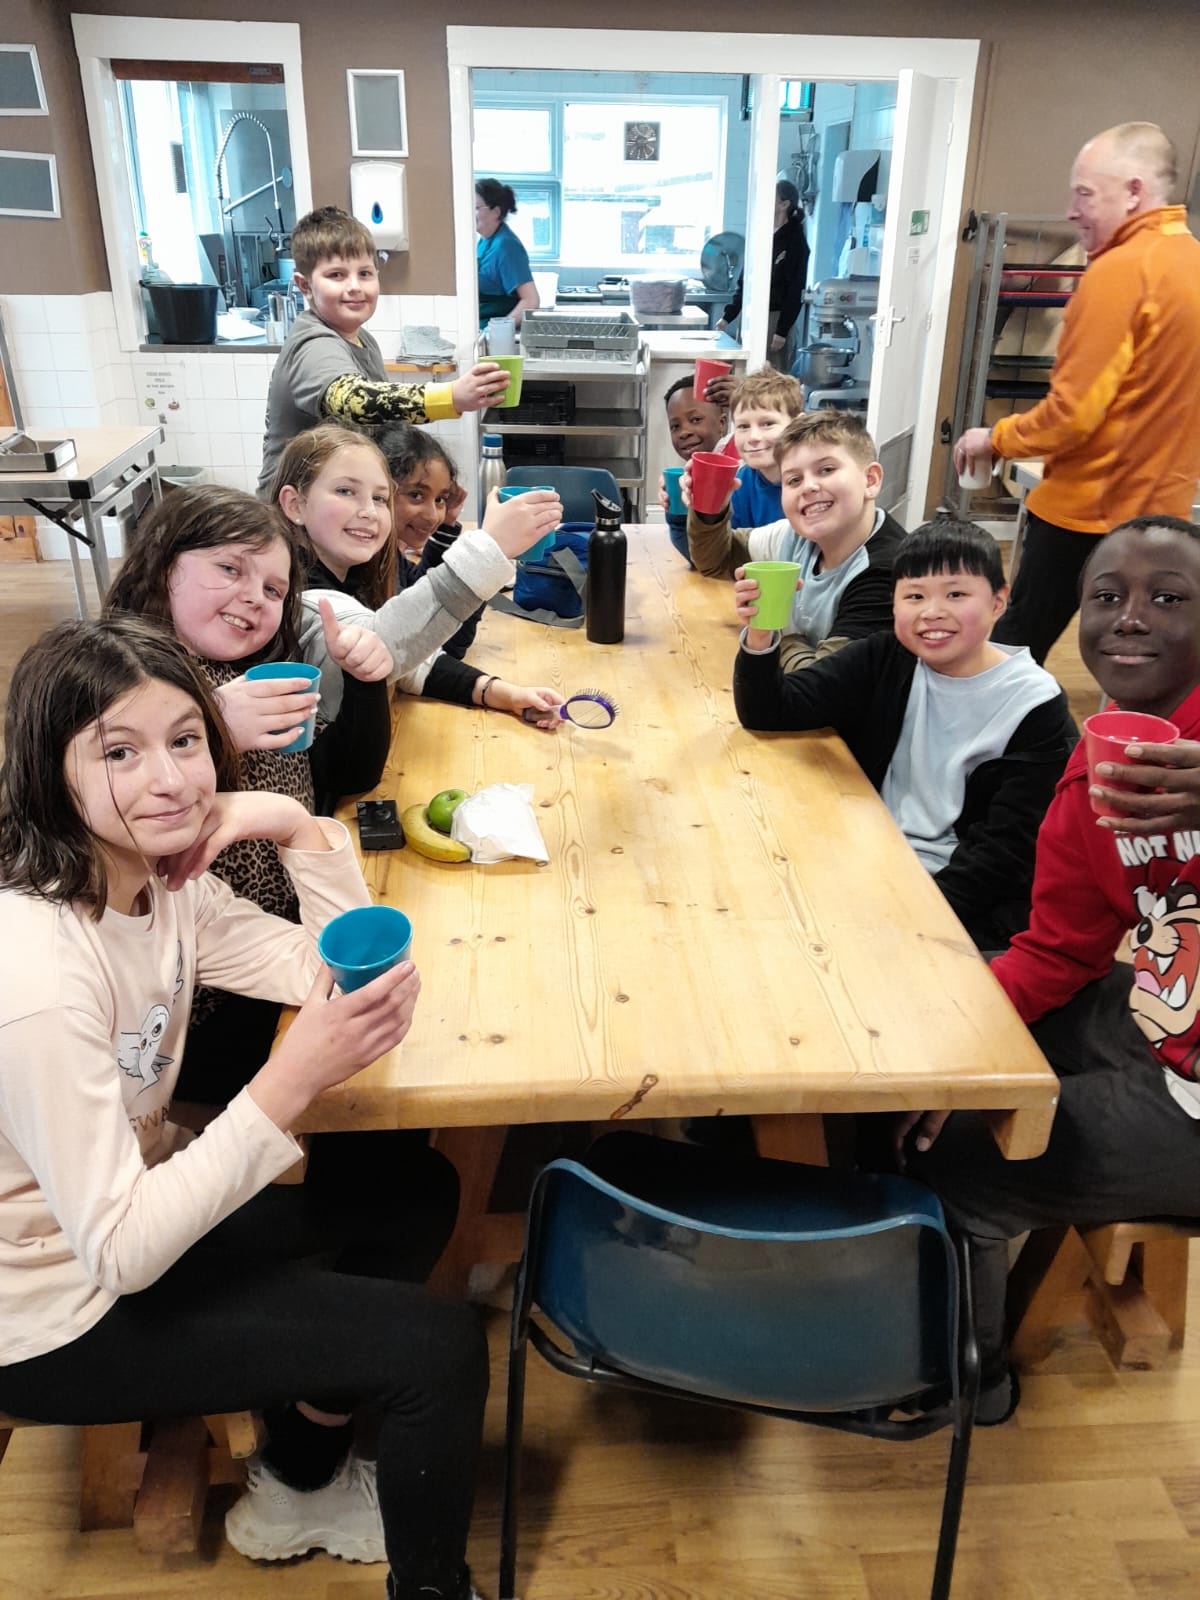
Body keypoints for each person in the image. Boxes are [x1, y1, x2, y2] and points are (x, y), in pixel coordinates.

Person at [0, 616, 488, 1599]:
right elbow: (121, 1251)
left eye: (185, 740)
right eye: (119, 753)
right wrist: (286, 1083)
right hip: (50, 1311)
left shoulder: (160, 883)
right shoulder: (39, 974)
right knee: (436, 1350)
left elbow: (339, 972)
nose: (171, 780)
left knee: (413, 1188)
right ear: (50, 774)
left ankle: (299, 1477)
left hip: (129, 1223)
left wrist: (294, 826)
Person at [905, 514, 1200, 1426]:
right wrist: (955, 1054)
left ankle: (973, 1384)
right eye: (1106, 597)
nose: (1131, 617)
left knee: (967, 1163)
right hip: (1166, 1018)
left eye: (1169, 598)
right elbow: (1058, 951)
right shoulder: (1094, 770)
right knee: (958, 1006)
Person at [104, 481, 393, 1103]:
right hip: (190, 1008)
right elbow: (87, 835)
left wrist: (365, 682)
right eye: (229, 569)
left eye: (273, 589)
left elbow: (346, 775)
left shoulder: (252, 675)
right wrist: (208, 732)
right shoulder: (116, 684)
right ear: (162, 566)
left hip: (268, 943)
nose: (253, 598)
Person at [733, 517, 1076, 948]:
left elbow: (1004, 857)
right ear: (894, 604)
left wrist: (901, 920)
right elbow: (771, 710)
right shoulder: (888, 656)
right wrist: (762, 630)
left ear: (998, 602)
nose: (932, 612)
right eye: (914, 595)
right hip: (869, 858)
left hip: (959, 905)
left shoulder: (1034, 706)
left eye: (956, 594)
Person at [953, 122, 1200, 664]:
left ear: (1133, 191)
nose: (1071, 210)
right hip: (1164, 516)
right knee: (1138, 653)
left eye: (1085, 193)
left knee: (1012, 651)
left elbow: (1072, 415)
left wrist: (994, 437)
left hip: (1089, 510)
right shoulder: (1191, 261)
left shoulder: (1121, 272)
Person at [272, 423, 566, 727]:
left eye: (379, 498)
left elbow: (412, 660)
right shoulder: (291, 592)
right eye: (345, 491)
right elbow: (377, 648)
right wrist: (490, 547)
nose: (369, 512)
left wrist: (499, 692)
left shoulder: (358, 573)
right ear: (295, 504)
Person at [258, 205, 509, 494]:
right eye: (336, 275)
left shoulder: (362, 340)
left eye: (365, 273)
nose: (355, 286)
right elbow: (352, 401)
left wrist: (429, 486)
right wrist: (450, 396)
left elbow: (383, 425)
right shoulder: (313, 343)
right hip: (294, 510)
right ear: (304, 286)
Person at [688, 409, 906, 672]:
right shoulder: (795, 537)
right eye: (793, 480)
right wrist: (710, 505)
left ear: (870, 480)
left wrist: (778, 633)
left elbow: (822, 683)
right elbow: (716, 559)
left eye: (826, 469)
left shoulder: (890, 573)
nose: (808, 486)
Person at [371, 422, 483, 658]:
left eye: (440, 499)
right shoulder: (365, 561)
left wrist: (447, 525)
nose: (432, 515)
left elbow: (420, 588)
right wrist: (484, 561)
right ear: (378, 492)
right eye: (416, 495)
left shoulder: (388, 552)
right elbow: (446, 645)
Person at [685, 366, 804, 537]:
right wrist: (680, 514)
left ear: (798, 425)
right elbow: (715, 549)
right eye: (743, 426)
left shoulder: (814, 481)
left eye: (768, 424)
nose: (753, 437)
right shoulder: (737, 483)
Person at [717, 180, 810, 374]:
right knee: (745, 373)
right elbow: (746, 280)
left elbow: (796, 289)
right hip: (751, 315)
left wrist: (782, 331)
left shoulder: (795, 241)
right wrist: (728, 316)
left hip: (775, 318)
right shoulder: (761, 235)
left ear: (784, 205)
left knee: (771, 377)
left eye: (770, 197)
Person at [656, 375, 730, 563]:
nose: (684, 432)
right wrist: (676, 513)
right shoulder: (690, 477)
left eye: (696, 420)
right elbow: (695, 557)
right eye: (675, 426)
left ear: (721, 423)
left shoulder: (741, 469)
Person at [475, 179, 539, 329]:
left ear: (496, 212)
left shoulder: (507, 246)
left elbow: (531, 301)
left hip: (493, 332)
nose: (470, 213)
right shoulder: (484, 240)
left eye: (476, 208)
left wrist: (496, 330)